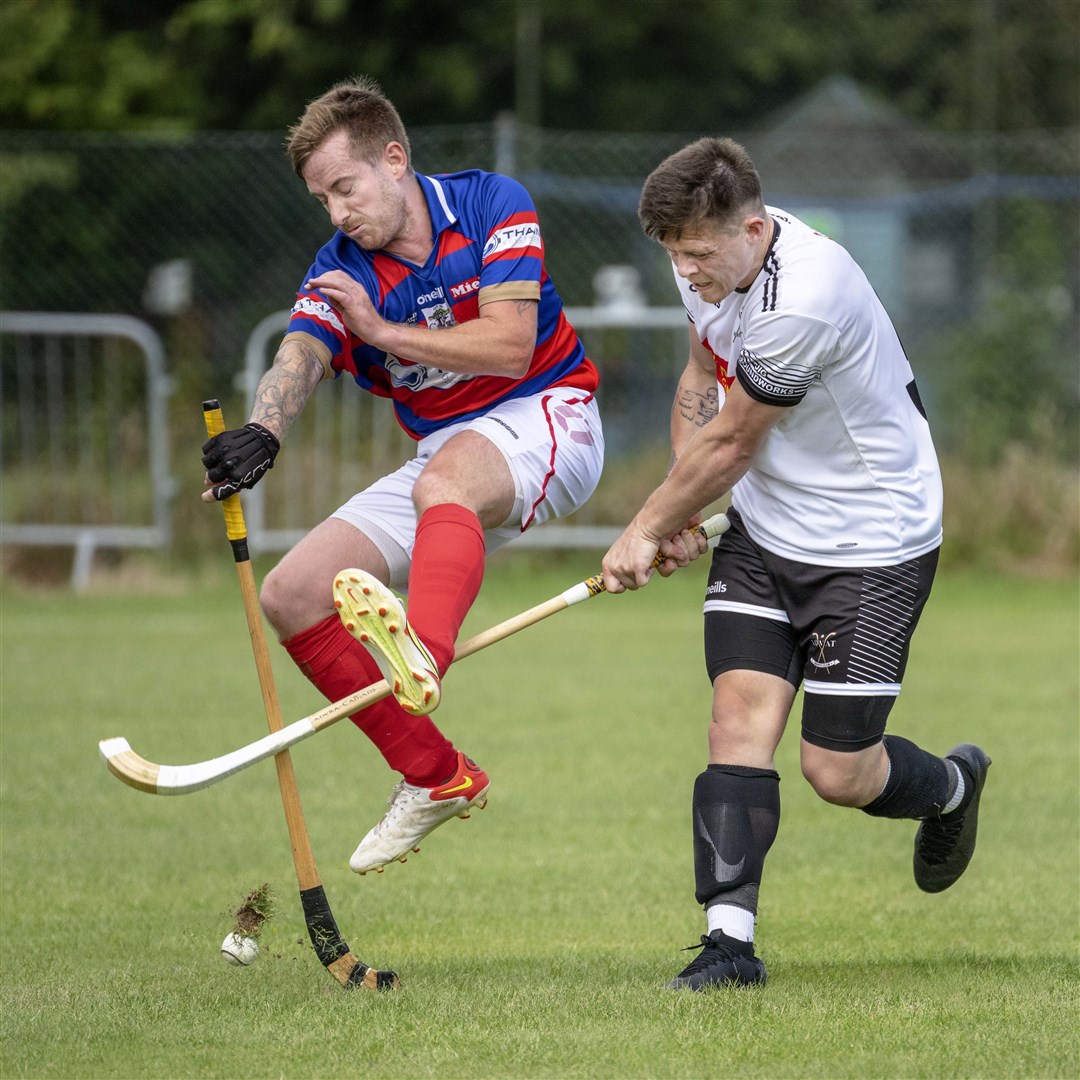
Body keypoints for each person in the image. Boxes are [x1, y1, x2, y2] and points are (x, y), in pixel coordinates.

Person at [601, 137, 990, 991]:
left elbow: (738, 436)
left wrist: (643, 525)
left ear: (753, 226)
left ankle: (954, 788)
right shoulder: (701, 259)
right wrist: (681, 502)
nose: (686, 271)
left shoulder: (808, 294)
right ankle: (729, 947)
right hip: (766, 525)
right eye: (674, 255)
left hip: (871, 543)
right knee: (736, 721)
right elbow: (703, 368)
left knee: (837, 772)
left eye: (698, 254)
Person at [201, 76, 604, 875]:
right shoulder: (340, 266)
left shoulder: (493, 203)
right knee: (293, 593)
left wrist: (383, 331)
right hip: (445, 455)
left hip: (547, 411)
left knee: (441, 483)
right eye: (321, 200)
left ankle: (422, 652)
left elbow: (509, 345)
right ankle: (434, 775)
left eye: (344, 188)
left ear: (393, 159)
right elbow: (303, 350)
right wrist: (263, 429)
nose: (338, 213)